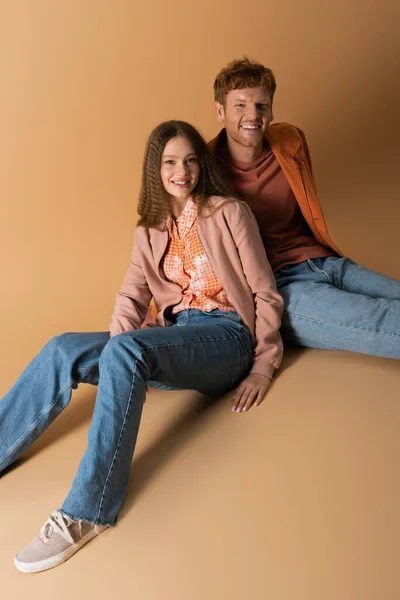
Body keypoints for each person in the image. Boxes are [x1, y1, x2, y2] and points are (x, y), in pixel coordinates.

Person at [1, 120, 283, 574]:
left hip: (227, 336)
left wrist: (263, 365)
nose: (182, 171)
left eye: (190, 159)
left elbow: (265, 292)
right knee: (62, 348)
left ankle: (87, 510)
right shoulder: (149, 230)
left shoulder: (230, 212)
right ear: (156, 169)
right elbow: (131, 297)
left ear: (201, 164)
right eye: (170, 161)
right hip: (171, 337)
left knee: (127, 350)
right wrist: (119, 361)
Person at [208, 57, 400, 358]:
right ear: (220, 111)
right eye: (240, 105)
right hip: (279, 287)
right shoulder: (202, 169)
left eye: (262, 105)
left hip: (324, 261)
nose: (253, 115)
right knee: (380, 320)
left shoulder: (291, 141)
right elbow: (176, 243)